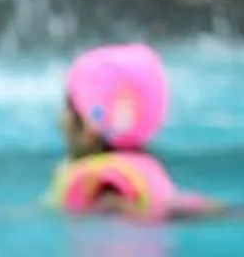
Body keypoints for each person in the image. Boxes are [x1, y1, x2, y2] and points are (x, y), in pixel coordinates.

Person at [48, 43, 231, 221]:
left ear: (89, 124)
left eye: (67, 108)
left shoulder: (104, 181)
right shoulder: (140, 167)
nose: (61, 120)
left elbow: (114, 208)